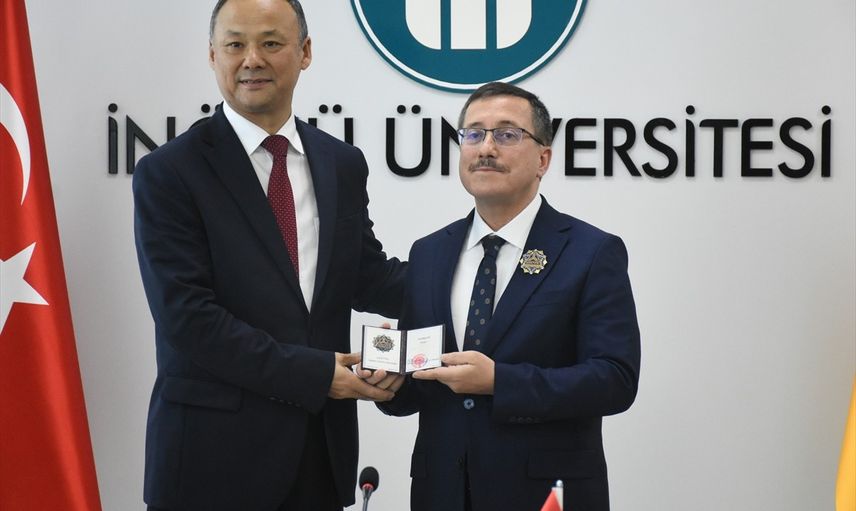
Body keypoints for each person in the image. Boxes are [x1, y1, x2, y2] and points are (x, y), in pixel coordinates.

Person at [132, 1, 404, 510]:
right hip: (210, 464)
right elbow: (187, 318)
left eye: (271, 43)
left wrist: (467, 274)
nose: (252, 59)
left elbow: (366, 276)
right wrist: (316, 375)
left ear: (305, 52)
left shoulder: (342, 163)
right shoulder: (170, 172)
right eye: (235, 44)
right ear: (212, 55)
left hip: (318, 458)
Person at [378, 82, 641, 511]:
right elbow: (421, 386)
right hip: (442, 491)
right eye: (473, 134)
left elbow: (615, 380)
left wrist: (501, 382)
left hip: (545, 493)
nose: (486, 148)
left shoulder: (591, 251)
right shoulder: (429, 253)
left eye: (506, 134)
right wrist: (389, 385)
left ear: (543, 159)